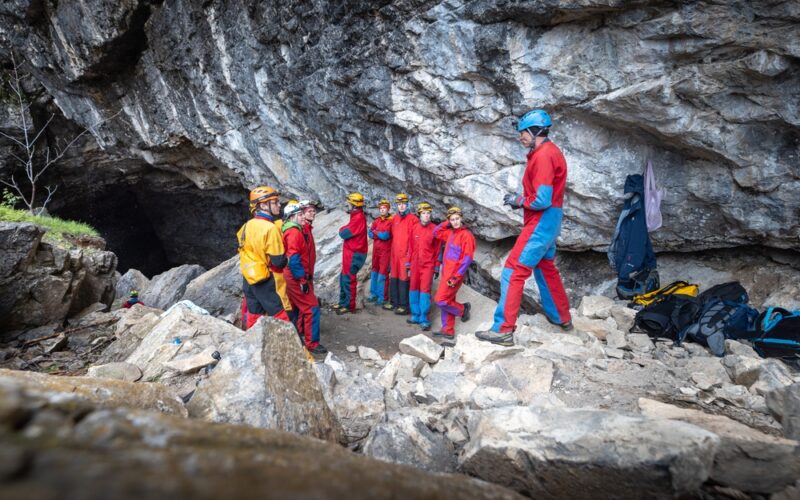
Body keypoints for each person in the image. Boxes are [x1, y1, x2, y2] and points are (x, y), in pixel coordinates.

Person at [476, 109, 572, 347]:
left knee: (513, 269)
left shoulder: (542, 156)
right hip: (551, 220)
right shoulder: (551, 152)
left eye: (523, 133)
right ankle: (561, 316)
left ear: (536, 131)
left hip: (541, 220)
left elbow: (541, 199)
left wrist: (518, 200)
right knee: (545, 266)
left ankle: (503, 329)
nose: (521, 137)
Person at [237, 186, 291, 329]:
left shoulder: (246, 226)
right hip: (267, 280)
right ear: (262, 205)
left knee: (254, 315)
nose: (279, 205)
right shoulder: (270, 228)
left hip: (249, 278)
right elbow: (278, 262)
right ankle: (296, 350)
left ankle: (254, 346)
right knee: (282, 317)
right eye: (274, 202)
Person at [282, 202, 326, 355]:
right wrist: (302, 280)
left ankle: (296, 334)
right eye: (300, 214)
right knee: (312, 308)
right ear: (292, 217)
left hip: (293, 276)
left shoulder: (295, 230)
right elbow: (293, 259)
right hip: (295, 277)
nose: (304, 216)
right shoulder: (294, 233)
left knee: (295, 307)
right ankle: (311, 343)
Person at [432, 207, 474, 340]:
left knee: (440, 300)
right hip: (446, 274)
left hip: (454, 276)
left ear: (461, 218)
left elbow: (467, 259)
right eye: (452, 220)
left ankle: (462, 310)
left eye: (457, 219)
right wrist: (446, 223)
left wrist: (456, 277)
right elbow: (435, 232)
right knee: (448, 300)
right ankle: (448, 330)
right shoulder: (450, 233)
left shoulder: (466, 236)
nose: (455, 222)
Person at [407, 202, 441, 331]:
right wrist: (408, 264)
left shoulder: (435, 229)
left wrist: (437, 267)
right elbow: (410, 247)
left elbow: (438, 250)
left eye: (428, 213)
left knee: (424, 291)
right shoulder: (414, 228)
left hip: (428, 265)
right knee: (413, 289)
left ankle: (424, 317)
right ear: (419, 215)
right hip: (415, 264)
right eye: (424, 214)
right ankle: (415, 315)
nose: (426, 216)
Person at [334, 193, 368, 314]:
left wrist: (341, 229)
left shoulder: (358, 218)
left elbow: (344, 233)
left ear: (353, 205)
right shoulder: (356, 216)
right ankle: (343, 302)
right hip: (351, 252)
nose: (347, 205)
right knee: (344, 276)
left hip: (355, 253)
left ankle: (349, 305)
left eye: (349, 203)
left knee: (349, 277)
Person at [385, 193, 418, 314]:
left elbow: (415, 240)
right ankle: (394, 302)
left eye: (403, 204)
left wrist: (411, 257)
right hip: (395, 254)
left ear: (408, 204)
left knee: (404, 278)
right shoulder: (394, 219)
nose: (402, 207)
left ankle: (404, 305)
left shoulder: (413, 220)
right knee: (394, 277)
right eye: (399, 204)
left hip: (406, 254)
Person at [367, 199, 392, 306]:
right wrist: (377, 233)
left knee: (383, 274)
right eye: (381, 208)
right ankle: (373, 294)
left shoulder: (390, 221)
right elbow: (370, 234)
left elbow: (385, 236)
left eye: (384, 208)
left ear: (388, 209)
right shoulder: (376, 221)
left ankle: (382, 297)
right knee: (374, 272)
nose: (382, 210)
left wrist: (375, 232)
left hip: (385, 252)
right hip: (376, 251)